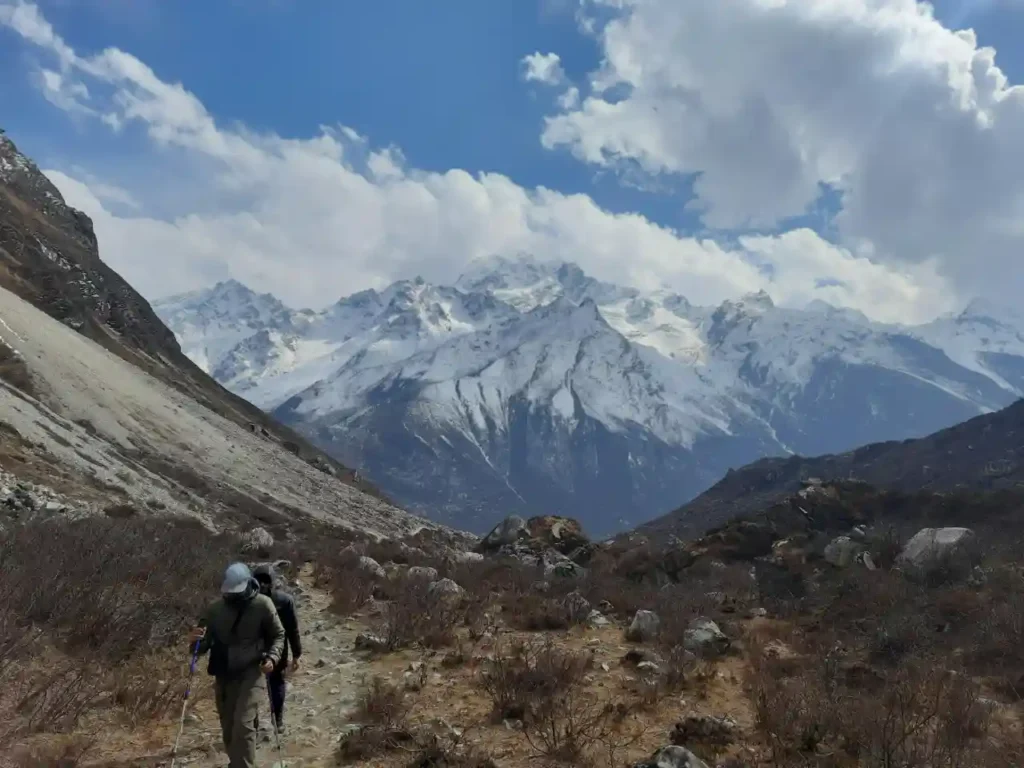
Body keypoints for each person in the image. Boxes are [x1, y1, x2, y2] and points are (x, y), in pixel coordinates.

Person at [188, 562, 285, 768]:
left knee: (243, 723)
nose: (233, 596)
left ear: (249, 584)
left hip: (253, 670)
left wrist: (273, 658)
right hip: (224, 673)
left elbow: (278, 635)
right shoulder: (214, 611)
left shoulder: (263, 605)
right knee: (229, 726)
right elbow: (202, 645)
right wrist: (195, 641)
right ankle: (237, 762)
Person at [252, 563, 302, 735]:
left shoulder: (248, 601)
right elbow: (292, 630)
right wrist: (297, 655)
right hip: (278, 648)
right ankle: (277, 720)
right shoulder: (285, 600)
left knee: (252, 686)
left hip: (252, 649)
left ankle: (253, 722)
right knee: (277, 683)